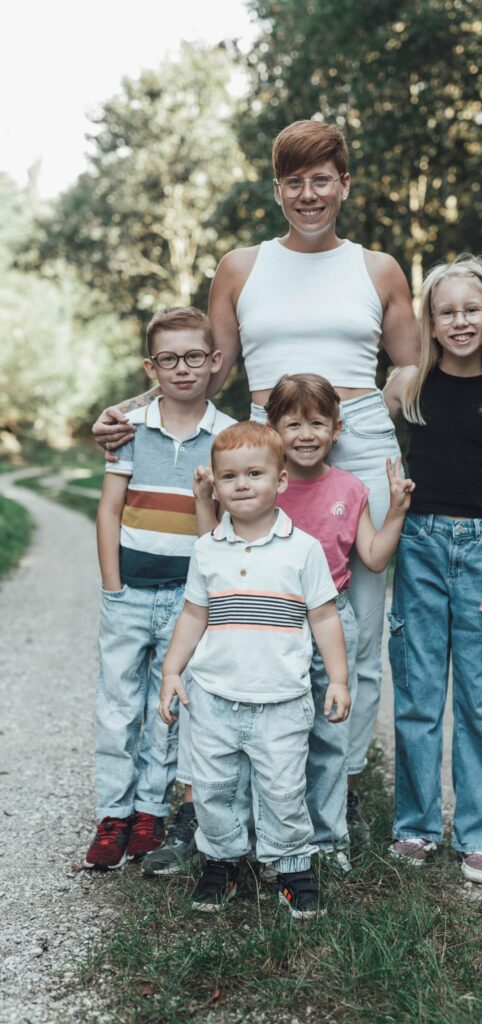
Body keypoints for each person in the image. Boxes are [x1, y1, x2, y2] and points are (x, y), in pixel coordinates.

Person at [92, 120, 482, 838]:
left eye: (321, 178)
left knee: (354, 630)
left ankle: (336, 783)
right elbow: (210, 370)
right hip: (265, 451)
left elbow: (415, 375)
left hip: (357, 442)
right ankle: (232, 780)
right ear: (277, 190)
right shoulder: (240, 267)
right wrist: (131, 407)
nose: (309, 194)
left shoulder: (379, 269)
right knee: (249, 609)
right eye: (294, 181)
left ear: (344, 184)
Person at [159, 421, 350, 917]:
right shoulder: (207, 550)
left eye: (254, 474)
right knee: (215, 789)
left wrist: (340, 679)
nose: (242, 484)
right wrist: (172, 671)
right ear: (215, 486)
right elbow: (194, 615)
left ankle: (292, 866)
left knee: (284, 789)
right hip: (215, 699)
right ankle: (221, 862)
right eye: (230, 477)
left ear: (280, 481)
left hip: (282, 701)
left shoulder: (302, 549)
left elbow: (324, 617)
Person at [382, 254, 482, 885]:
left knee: (480, 698)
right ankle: (415, 825)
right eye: (447, 312)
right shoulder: (407, 386)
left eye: (472, 309)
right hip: (418, 543)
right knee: (417, 693)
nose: (461, 321)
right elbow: (356, 432)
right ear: (431, 321)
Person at [84, 307, 235, 871]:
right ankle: (113, 813)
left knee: (167, 705)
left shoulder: (226, 437)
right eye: (168, 359)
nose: (182, 369)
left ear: (214, 361)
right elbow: (109, 509)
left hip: (186, 600)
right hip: (129, 592)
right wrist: (112, 584)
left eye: (194, 356)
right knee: (119, 704)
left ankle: (151, 810)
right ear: (152, 366)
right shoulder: (129, 428)